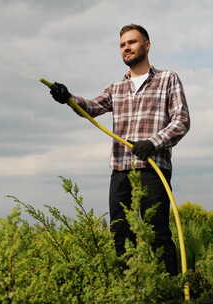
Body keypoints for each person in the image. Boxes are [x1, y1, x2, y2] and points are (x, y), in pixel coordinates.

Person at [49, 24, 190, 275]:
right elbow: (90, 107)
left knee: (156, 232)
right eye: (122, 44)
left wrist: (153, 142)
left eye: (132, 42)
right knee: (120, 233)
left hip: (152, 169)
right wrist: (68, 97)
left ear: (146, 45)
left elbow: (181, 120)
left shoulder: (168, 78)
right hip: (121, 170)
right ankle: (131, 289)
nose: (127, 48)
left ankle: (170, 289)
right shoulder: (116, 88)